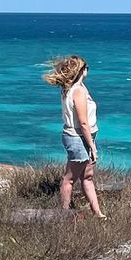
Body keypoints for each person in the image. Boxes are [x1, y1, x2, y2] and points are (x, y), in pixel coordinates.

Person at [43, 54, 103, 215]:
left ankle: (97, 213)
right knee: (69, 178)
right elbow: (83, 122)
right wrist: (92, 146)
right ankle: (64, 213)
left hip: (84, 136)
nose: (87, 70)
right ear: (81, 71)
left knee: (87, 176)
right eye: (86, 68)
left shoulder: (74, 88)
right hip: (79, 137)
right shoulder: (78, 91)